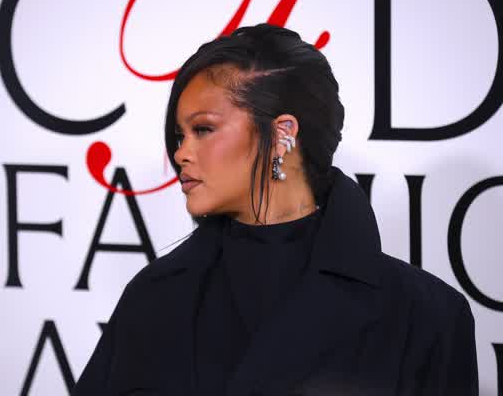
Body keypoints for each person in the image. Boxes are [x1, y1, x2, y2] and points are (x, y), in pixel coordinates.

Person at [72, 23, 478, 395]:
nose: (181, 153)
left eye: (203, 129)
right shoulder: (153, 297)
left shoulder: (427, 316)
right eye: (181, 136)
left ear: (283, 134)